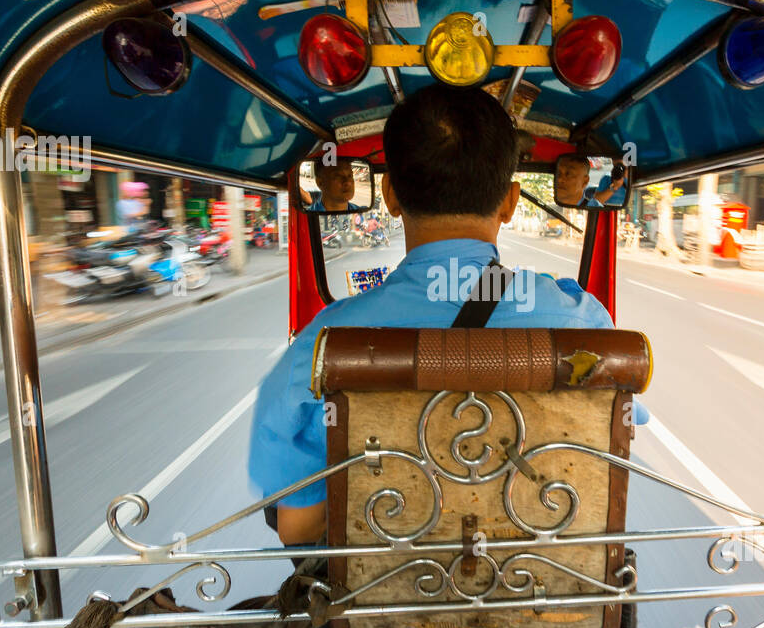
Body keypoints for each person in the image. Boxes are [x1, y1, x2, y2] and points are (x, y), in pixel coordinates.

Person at [248, 84, 640, 546]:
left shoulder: (325, 341)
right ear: (511, 202)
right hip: (545, 590)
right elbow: (617, 441)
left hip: (376, 602)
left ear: (390, 196)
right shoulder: (584, 322)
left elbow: (296, 527)